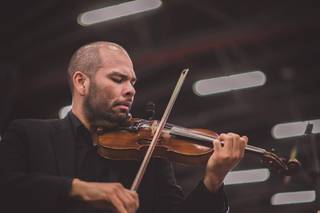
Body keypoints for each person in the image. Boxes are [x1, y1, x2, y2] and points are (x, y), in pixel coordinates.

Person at [0, 41, 248, 213]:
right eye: (118, 79)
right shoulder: (29, 135)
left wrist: (213, 179)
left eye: (132, 81)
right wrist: (79, 188)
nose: (130, 89)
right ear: (81, 82)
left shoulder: (149, 154)